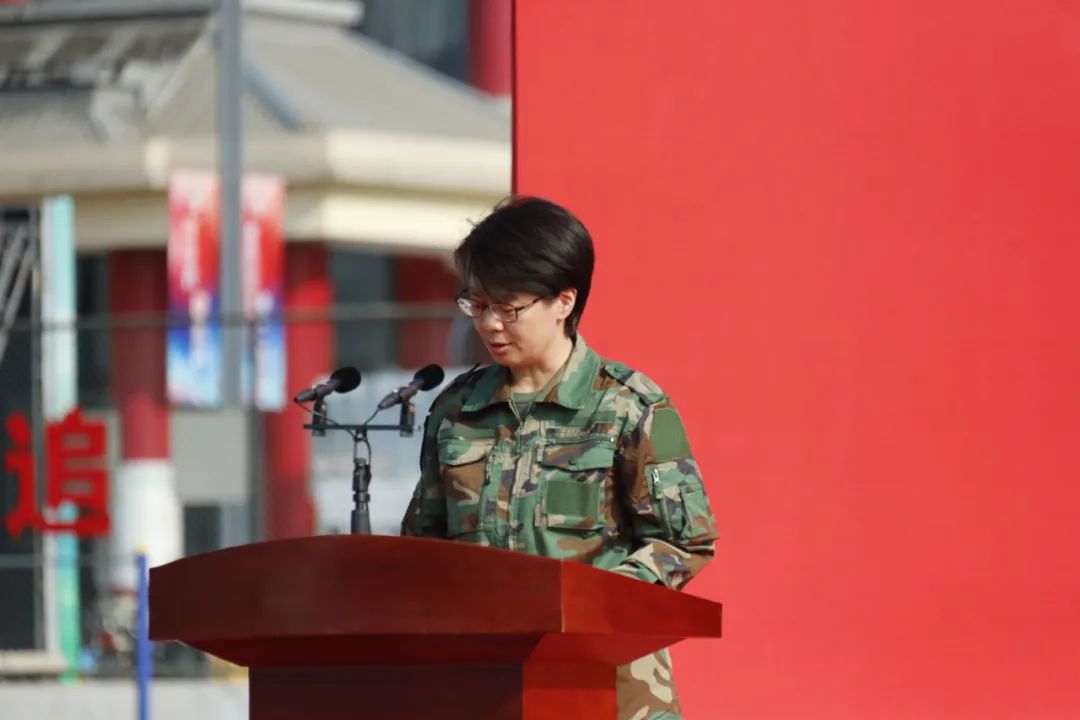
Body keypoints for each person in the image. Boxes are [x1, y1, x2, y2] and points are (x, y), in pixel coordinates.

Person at [401, 196, 718, 720]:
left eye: (509, 308)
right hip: (486, 687)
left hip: (610, 690)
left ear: (564, 301)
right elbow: (424, 547)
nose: (490, 324)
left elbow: (685, 541)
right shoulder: (457, 410)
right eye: (477, 304)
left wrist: (590, 605)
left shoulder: (626, 405)